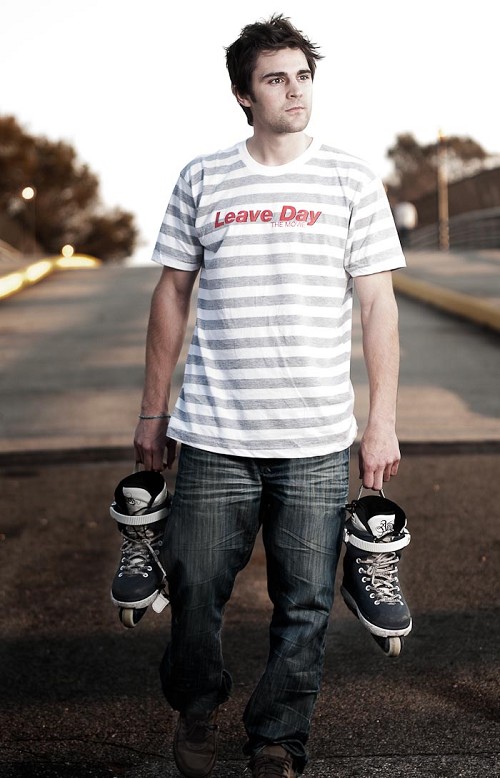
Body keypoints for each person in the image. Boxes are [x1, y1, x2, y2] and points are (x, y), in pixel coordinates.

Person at [133, 14, 405, 778]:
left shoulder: (351, 179)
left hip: (315, 438)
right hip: (214, 432)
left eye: (303, 76)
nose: (294, 91)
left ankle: (278, 740)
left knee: (306, 604)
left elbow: (378, 305)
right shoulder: (203, 177)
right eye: (275, 79)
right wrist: (153, 412)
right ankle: (196, 702)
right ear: (243, 95)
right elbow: (172, 293)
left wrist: (381, 420)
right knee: (193, 590)